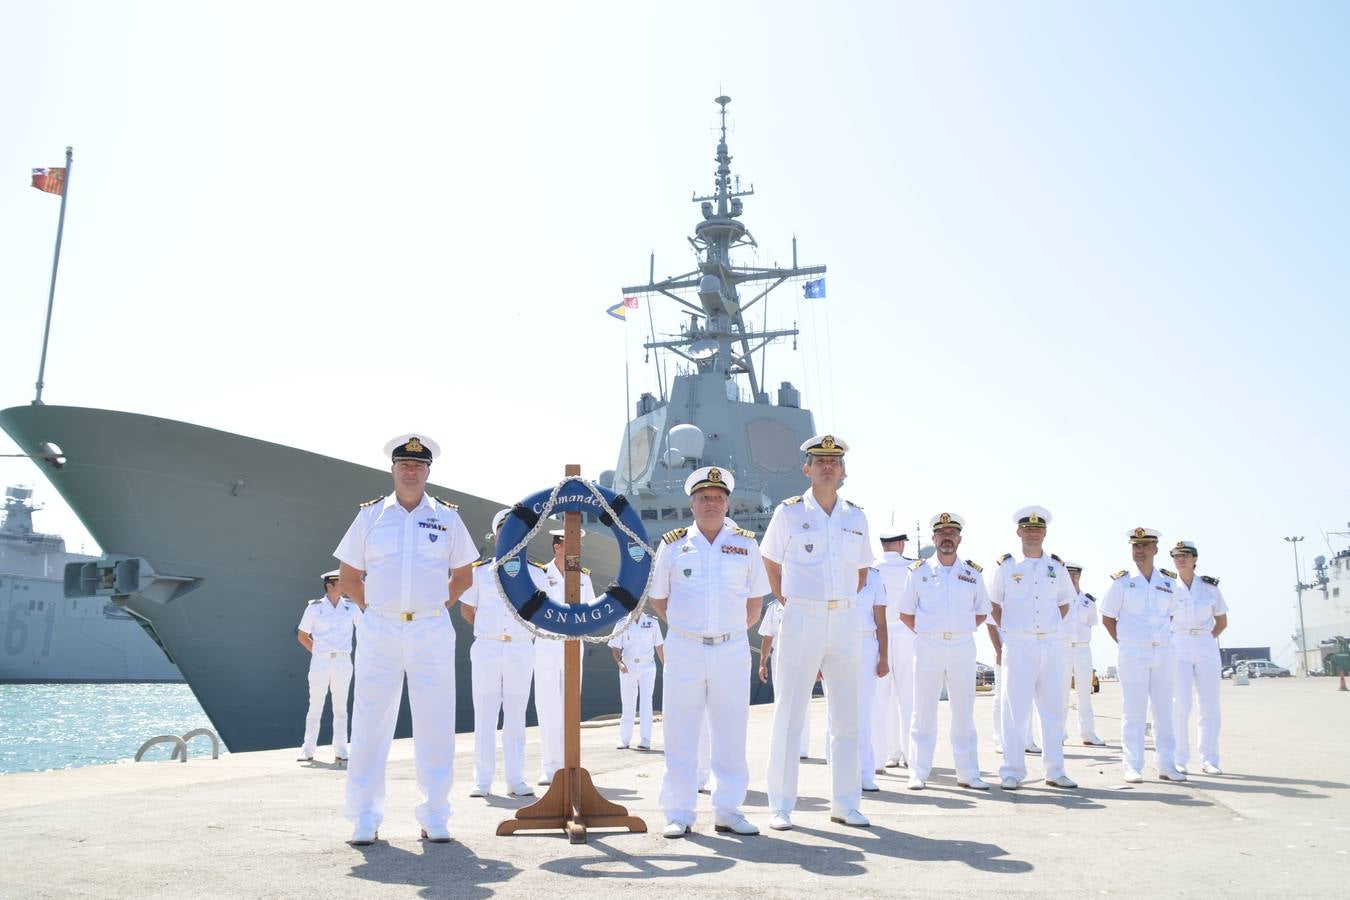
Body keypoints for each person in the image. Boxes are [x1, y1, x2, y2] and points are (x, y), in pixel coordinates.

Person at [335, 434, 476, 845]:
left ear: (428, 471)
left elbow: (464, 575)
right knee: (369, 724)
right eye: (403, 464)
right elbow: (348, 577)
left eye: (417, 465)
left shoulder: (448, 517)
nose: (410, 470)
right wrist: (377, 609)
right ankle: (364, 816)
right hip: (380, 627)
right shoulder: (371, 516)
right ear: (393, 469)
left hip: (431, 629)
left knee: (436, 721)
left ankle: (435, 814)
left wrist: (433, 607)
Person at [761, 434, 874, 830]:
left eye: (834, 461)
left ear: (843, 470)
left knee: (847, 716)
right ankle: (780, 805)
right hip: (802, 616)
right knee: (790, 713)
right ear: (807, 468)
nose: (828, 466)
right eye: (819, 460)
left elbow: (861, 572)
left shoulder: (856, 517)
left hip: (844, 618)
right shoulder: (788, 513)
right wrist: (789, 599)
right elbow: (770, 561)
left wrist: (838, 601)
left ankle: (846, 803)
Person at [650, 465, 769, 837]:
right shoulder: (672, 545)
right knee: (680, 730)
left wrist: (725, 632)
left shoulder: (747, 545)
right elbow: (659, 600)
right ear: (692, 504)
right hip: (684, 648)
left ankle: (728, 809)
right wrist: (690, 630)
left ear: (728, 503)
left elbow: (755, 604)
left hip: (731, 648)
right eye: (704, 498)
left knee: (731, 730)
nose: (711, 504)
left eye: (718, 498)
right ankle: (679, 811)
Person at [896, 512, 992, 791]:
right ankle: (918, 772)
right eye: (942, 533)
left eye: (952, 533)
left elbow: (982, 611)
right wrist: (930, 631)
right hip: (927, 646)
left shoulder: (972, 574)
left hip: (962, 646)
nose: (947, 538)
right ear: (934, 538)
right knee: (923, 712)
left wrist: (957, 629)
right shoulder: (918, 572)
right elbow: (905, 613)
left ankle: (968, 773)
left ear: (959, 539)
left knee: (964, 711)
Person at [987, 506, 1077, 790]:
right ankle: (1012, 770)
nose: (1033, 532)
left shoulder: (1057, 567)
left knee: (1053, 710)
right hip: (1018, 643)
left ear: (1045, 532)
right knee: (1015, 711)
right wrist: (1011, 631)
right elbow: (993, 605)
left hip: (1050, 644)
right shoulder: (1007, 566)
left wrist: (1047, 627)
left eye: (1038, 528)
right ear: (1018, 532)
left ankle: (1055, 770)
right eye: (1027, 528)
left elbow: (1064, 603)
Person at [460, 509, 536, 799]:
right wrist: (489, 630)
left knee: (516, 715)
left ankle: (515, 779)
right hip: (488, 646)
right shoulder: (480, 572)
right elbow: (468, 609)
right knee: (485, 714)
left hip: (520, 647)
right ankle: (482, 780)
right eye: (505, 529)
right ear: (496, 535)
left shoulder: (536, 573)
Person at [1100, 527, 1184, 784]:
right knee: (1133, 710)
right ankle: (1132, 765)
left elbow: (1170, 615)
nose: (1140, 550)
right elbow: (1107, 618)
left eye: (1145, 546)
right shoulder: (1122, 582)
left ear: (1156, 549)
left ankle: (1167, 764)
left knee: (1164, 710)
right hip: (1133, 653)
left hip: (1163, 652)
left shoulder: (1169, 582)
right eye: (1136, 546)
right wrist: (1127, 641)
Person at [533, 529, 596, 785]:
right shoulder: (539, 574)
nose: (577, 549)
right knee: (548, 706)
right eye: (572, 544)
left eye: (579, 544)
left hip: (573, 644)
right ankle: (550, 767)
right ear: (557, 547)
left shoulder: (583, 577)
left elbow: (590, 608)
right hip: (547, 645)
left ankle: (570, 764)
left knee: (570, 706)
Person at [823, 565, 888, 791]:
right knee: (835, 712)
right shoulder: (830, 568)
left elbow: (881, 621)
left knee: (863, 712)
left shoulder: (875, 577)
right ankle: (837, 771)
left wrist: (884, 657)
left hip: (866, 644)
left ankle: (865, 772)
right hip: (834, 643)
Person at [1168, 540, 1228, 775]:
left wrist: (1205, 638)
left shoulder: (1210, 588)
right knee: (1180, 704)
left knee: (1210, 705)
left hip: (1205, 643)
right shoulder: (1169, 586)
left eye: (1185, 555)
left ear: (1195, 559)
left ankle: (1210, 759)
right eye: (1176, 555)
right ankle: (1179, 757)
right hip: (1178, 643)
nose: (1180, 559)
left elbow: (1222, 622)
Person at [296, 570, 360, 764]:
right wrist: (318, 652)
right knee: (315, 707)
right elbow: (302, 635)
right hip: (321, 661)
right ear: (330, 585)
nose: (345, 585)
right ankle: (307, 750)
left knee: (340, 708)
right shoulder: (314, 609)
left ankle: (341, 750)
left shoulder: (351, 607)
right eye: (342, 582)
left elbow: (365, 631)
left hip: (342, 660)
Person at [872, 528, 915, 770]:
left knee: (881, 699)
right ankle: (910, 755)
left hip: (878, 633)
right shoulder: (913, 567)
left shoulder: (871, 566)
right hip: (907, 632)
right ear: (901, 545)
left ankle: (888, 754)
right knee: (908, 697)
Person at [758, 598, 812, 758]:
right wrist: (762, 663)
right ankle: (782, 745)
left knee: (804, 701)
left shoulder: (807, 602)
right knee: (781, 700)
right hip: (780, 657)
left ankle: (801, 748)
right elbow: (768, 637)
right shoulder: (774, 607)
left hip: (804, 656)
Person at [1061, 561, 1105, 746]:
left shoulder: (1088, 601)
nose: (1073, 577)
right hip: (1062, 647)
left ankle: (1088, 733)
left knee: (1084, 693)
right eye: (1069, 574)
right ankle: (1059, 733)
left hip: (1082, 648)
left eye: (1076, 574)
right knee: (1060, 692)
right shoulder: (1059, 599)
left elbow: (1091, 624)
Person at [608, 611, 665, 750]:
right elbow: (615, 647)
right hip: (628, 667)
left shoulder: (652, 622)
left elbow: (659, 646)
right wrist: (619, 663)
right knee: (628, 704)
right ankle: (624, 739)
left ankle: (645, 739)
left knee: (646, 703)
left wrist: (666, 666)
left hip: (647, 667)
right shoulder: (622, 623)